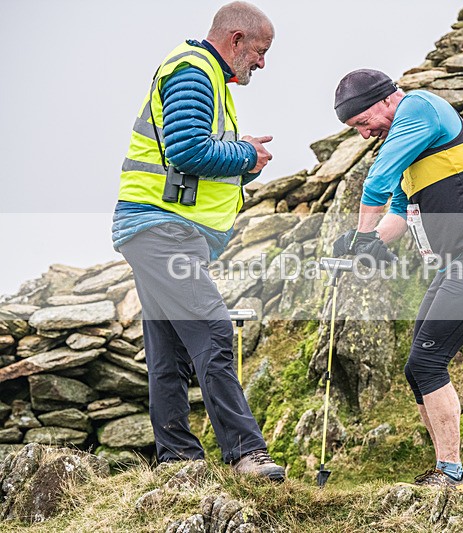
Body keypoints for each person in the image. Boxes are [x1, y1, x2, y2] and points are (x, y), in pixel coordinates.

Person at [331, 69, 463, 492]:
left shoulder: (419, 109)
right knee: (416, 368)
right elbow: (400, 216)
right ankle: (445, 468)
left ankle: (451, 472)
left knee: (428, 361)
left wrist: (365, 236)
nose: (365, 135)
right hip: (459, 263)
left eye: (361, 123)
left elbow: (376, 181)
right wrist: (357, 244)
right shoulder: (413, 146)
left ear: (384, 100)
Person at [111, 1, 284, 480]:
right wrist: (244, 155)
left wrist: (238, 154)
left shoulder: (203, 76)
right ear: (235, 40)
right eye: (260, 51)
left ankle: (177, 461)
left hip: (156, 231)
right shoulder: (194, 71)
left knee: (167, 349)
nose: (262, 63)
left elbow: (191, 152)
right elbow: (189, 149)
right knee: (212, 332)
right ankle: (246, 454)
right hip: (161, 229)